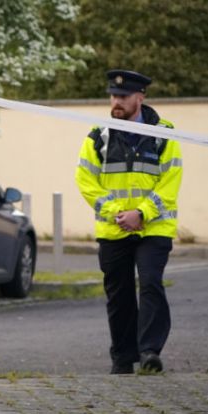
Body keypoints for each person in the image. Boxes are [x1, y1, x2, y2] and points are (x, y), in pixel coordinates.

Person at [75, 69, 182, 375]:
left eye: (122, 97)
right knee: (119, 293)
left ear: (140, 97)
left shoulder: (165, 132)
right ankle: (123, 357)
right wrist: (118, 213)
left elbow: (170, 181)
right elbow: (85, 180)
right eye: (113, 96)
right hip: (114, 228)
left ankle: (149, 351)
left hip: (154, 227)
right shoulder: (98, 135)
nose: (116, 102)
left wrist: (143, 213)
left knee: (150, 283)